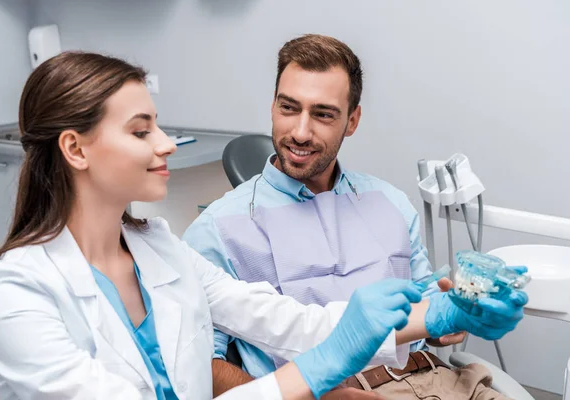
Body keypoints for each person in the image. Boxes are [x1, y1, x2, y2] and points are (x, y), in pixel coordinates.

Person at [0, 51, 432, 400]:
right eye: (141, 130)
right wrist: (312, 376)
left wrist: (439, 314)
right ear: (75, 149)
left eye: (159, 126)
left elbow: (286, 322)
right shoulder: (13, 290)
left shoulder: (160, 248)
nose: (167, 143)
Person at [183, 34, 528, 399]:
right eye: (288, 108)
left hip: (441, 379)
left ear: (352, 120)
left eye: (323, 114)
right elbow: (203, 365)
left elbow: (431, 314)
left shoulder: (389, 201)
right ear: (272, 107)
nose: (300, 131)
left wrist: (450, 319)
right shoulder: (218, 229)